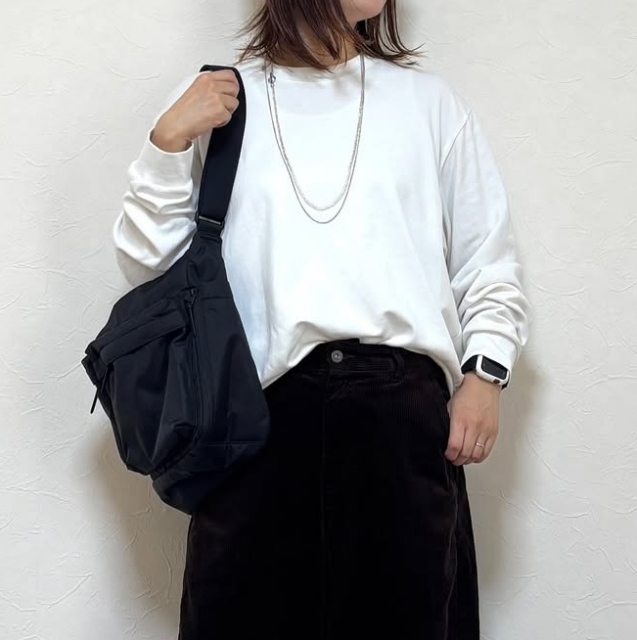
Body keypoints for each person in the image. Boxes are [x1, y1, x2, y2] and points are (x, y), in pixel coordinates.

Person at [112, 1, 530, 638]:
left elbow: (487, 259)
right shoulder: (223, 97)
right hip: (254, 423)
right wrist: (166, 144)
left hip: (399, 423)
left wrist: (486, 374)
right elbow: (151, 268)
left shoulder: (429, 105)